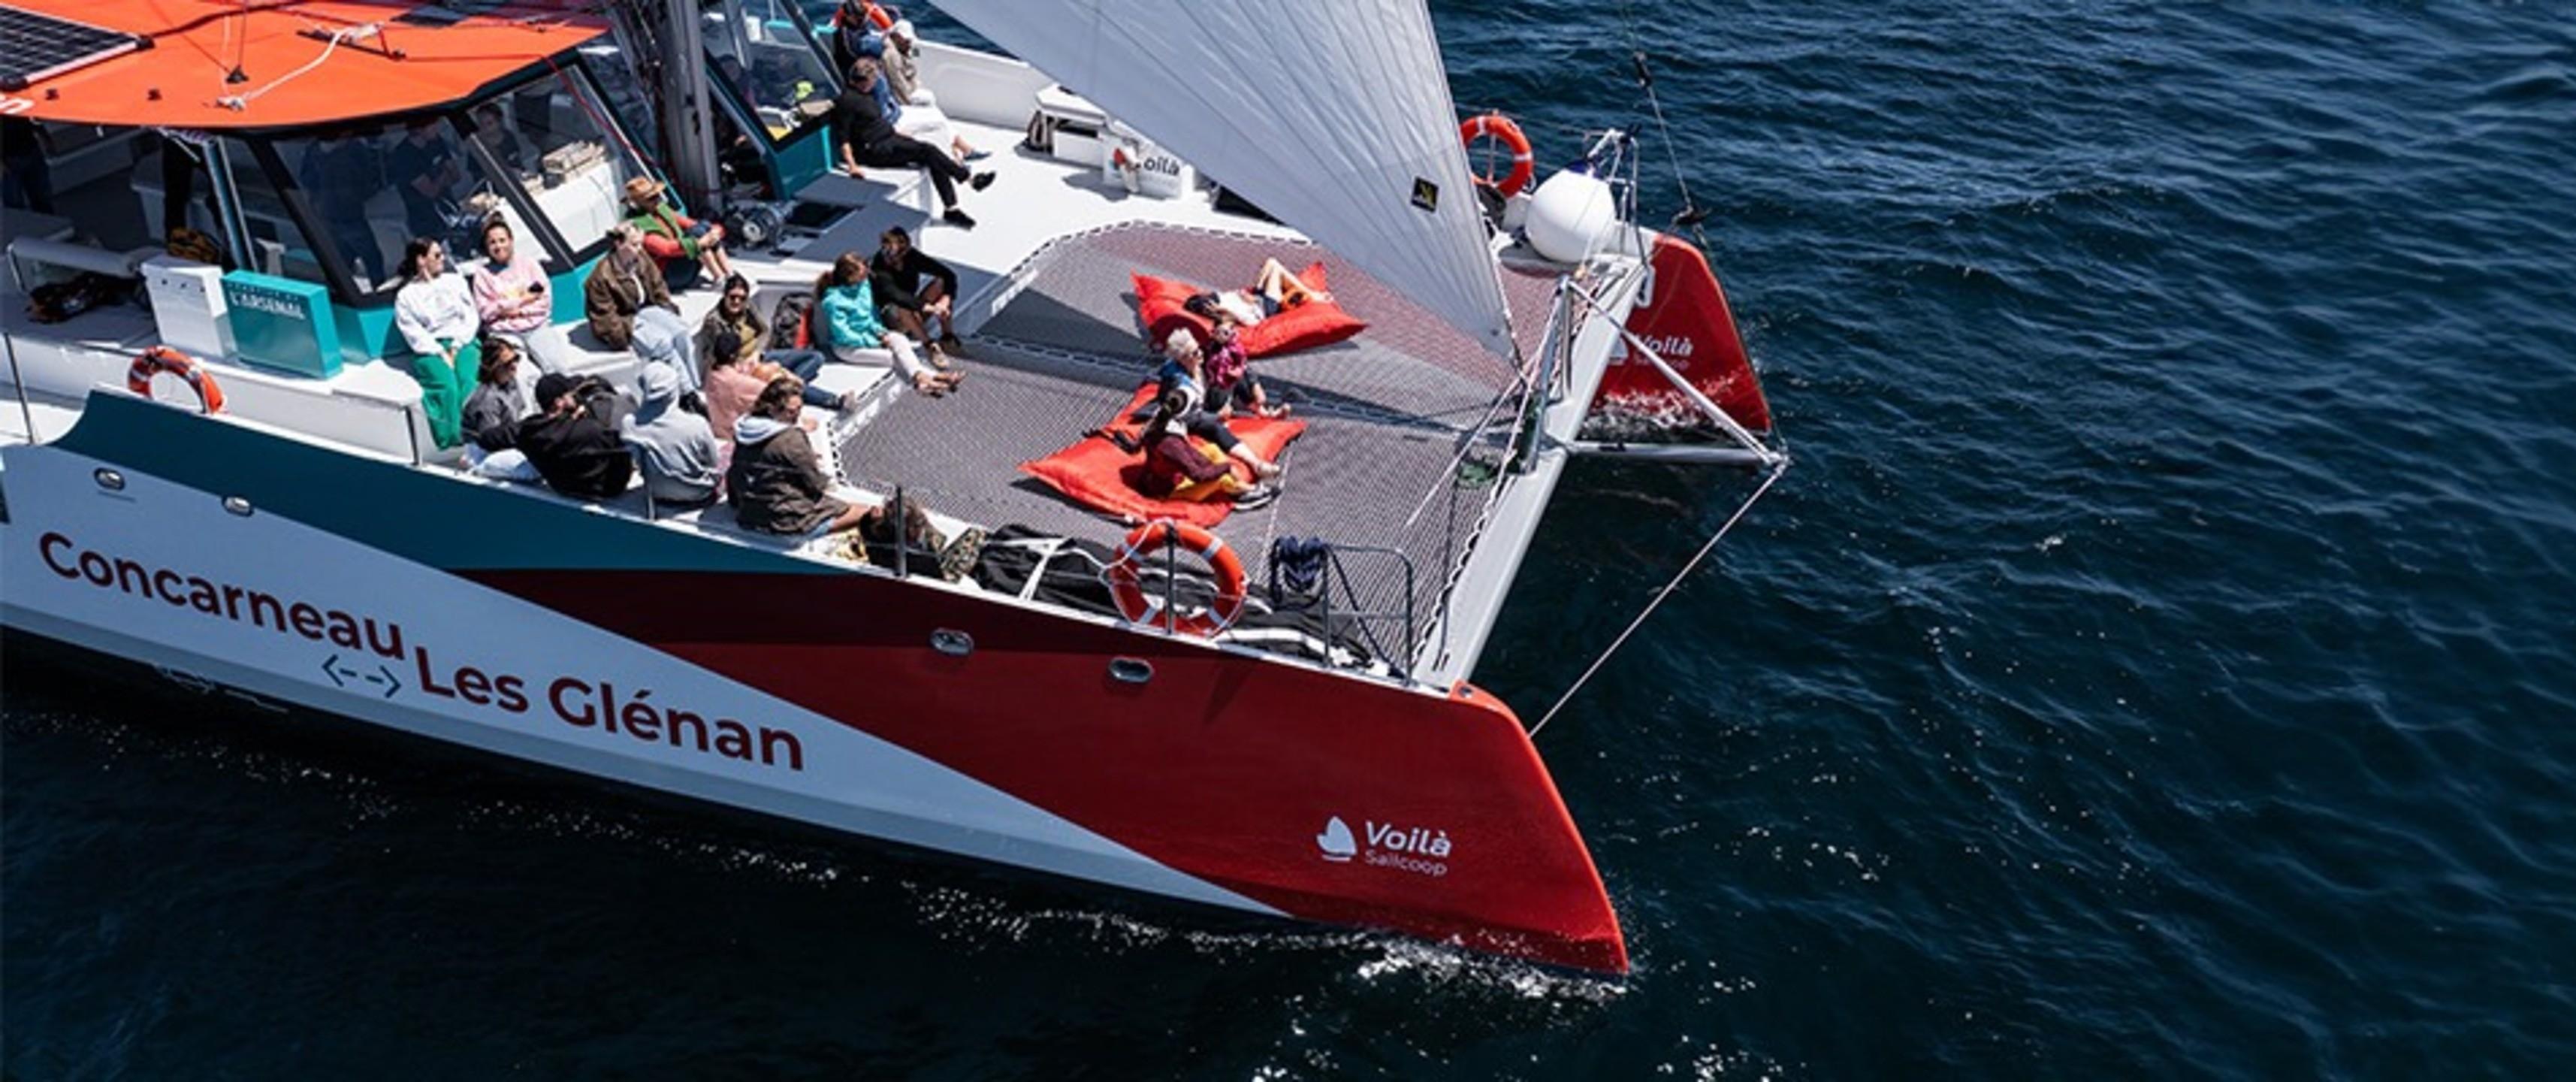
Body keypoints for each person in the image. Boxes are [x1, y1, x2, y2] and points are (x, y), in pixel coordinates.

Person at [831, 57, 992, 229]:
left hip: (889, 138)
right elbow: (844, 137)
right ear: (866, 80)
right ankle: (970, 179)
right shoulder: (847, 102)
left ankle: (951, 208)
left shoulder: (865, 96)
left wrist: (900, 136)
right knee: (928, 151)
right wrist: (852, 166)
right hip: (875, 150)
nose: (875, 82)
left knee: (932, 156)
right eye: (874, 79)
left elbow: (874, 124)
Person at [728, 374, 883, 536]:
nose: (796, 416)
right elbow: (815, 483)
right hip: (785, 519)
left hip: (749, 511)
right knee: (868, 511)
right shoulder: (791, 440)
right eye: (791, 412)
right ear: (772, 409)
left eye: (799, 410)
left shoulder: (745, 431)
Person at [696, 274, 854, 428]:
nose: (737, 302)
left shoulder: (748, 308)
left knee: (816, 357)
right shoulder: (714, 322)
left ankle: (791, 384)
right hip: (740, 368)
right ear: (724, 296)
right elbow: (719, 355)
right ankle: (834, 401)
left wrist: (757, 353)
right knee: (783, 387)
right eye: (732, 297)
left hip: (759, 357)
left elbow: (764, 331)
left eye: (742, 298)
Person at [814, 253, 956, 395]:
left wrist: (880, 332)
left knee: (900, 340)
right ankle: (931, 377)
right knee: (894, 358)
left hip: (872, 337)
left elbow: (871, 316)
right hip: (849, 347)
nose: (866, 274)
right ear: (850, 276)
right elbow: (843, 334)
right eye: (862, 272)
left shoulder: (864, 287)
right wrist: (873, 342)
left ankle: (922, 382)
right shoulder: (833, 301)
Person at [1154, 328, 1281, 479]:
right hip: (1190, 416)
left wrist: (1255, 385)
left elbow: (1239, 360)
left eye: (1199, 349)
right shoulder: (1178, 385)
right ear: (1183, 359)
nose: (1200, 353)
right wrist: (1216, 417)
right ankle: (1256, 464)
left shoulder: (1203, 359)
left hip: (1207, 400)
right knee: (1215, 428)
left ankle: (1261, 410)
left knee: (1229, 368)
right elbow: (1188, 416)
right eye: (1195, 353)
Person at [393, 237, 482, 449]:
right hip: (430, 348)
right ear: (421, 260)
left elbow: (471, 316)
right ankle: (452, 438)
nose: (443, 259)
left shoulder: (455, 281)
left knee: (468, 380)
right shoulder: (406, 296)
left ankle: (475, 432)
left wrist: (457, 345)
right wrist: (439, 352)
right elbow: (413, 332)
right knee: (447, 386)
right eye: (437, 255)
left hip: (463, 340)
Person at [859, 23, 981, 164]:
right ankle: (958, 153)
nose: (908, 42)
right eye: (906, 39)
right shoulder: (890, 56)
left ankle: (960, 149)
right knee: (931, 107)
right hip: (901, 103)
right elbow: (897, 84)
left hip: (899, 104)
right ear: (896, 37)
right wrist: (909, 102)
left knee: (934, 111)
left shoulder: (902, 50)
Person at [1137, 387, 1276, 508]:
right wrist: (1225, 468)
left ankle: (1235, 485)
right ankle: (1243, 492)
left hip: (1172, 473)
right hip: (1169, 491)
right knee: (1221, 478)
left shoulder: (1161, 420)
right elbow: (1198, 475)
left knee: (1212, 449)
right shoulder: (1171, 444)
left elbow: (1190, 454)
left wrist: (1212, 467)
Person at [466, 217, 569, 373]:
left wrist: (517, 311)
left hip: (536, 326)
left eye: (502, 240)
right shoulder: (483, 275)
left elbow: (544, 300)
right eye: (492, 242)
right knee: (521, 375)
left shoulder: (529, 264)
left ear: (511, 240)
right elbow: (486, 312)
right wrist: (522, 300)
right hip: (504, 333)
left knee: (558, 367)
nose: (498, 246)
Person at [515, 372, 635, 499]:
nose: (575, 396)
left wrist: (572, 420)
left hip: (563, 489)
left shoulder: (529, 433)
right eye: (570, 394)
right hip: (607, 490)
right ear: (559, 402)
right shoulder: (591, 428)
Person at [623, 363, 723, 507]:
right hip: (699, 495)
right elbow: (713, 462)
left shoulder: (630, 424)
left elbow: (636, 463)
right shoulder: (697, 424)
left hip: (656, 496)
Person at [296, 131, 388, 284]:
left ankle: (341, 289)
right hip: (349, 214)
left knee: (342, 258)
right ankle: (379, 290)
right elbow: (365, 179)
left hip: (325, 214)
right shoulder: (349, 153)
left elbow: (307, 180)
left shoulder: (313, 151)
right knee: (372, 257)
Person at [621, 177, 731, 290]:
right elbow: (666, 249)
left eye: (658, 195)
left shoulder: (661, 209)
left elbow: (690, 224)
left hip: (681, 260)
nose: (658, 200)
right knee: (698, 234)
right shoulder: (637, 225)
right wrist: (699, 243)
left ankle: (729, 274)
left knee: (702, 227)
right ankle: (719, 278)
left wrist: (716, 231)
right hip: (668, 274)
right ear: (637, 203)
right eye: (652, 198)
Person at [584, 223, 677, 349]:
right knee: (662, 346)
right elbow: (605, 318)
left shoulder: (641, 258)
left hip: (647, 311)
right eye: (634, 245)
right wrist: (623, 340)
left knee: (681, 333)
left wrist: (667, 309)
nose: (639, 249)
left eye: (640, 244)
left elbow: (658, 285)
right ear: (618, 244)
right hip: (627, 323)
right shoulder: (600, 278)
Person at [868, 225, 962, 350]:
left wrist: (944, 301)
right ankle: (928, 344)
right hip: (893, 317)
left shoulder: (912, 257)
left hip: (915, 309)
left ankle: (947, 336)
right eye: (887, 251)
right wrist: (930, 308)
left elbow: (948, 274)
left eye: (898, 253)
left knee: (941, 283)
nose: (891, 257)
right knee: (902, 307)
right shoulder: (879, 267)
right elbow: (896, 295)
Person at [386, 118, 463, 244]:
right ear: (418, 129)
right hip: (425, 221)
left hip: (449, 208)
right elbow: (430, 191)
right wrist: (443, 173)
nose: (436, 129)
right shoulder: (404, 157)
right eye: (431, 126)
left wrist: (440, 178)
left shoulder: (436, 141)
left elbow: (456, 175)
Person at [461, 335, 535, 452]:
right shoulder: (487, 400)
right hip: (486, 449)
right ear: (493, 366)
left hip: (507, 438)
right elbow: (491, 440)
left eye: (516, 359)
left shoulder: (511, 382)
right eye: (508, 363)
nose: (514, 365)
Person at [1, 116, 54, 214]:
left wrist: (45, 138)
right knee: (14, 203)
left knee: (42, 198)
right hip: (9, 160)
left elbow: (32, 120)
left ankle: (46, 221)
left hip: (30, 151)